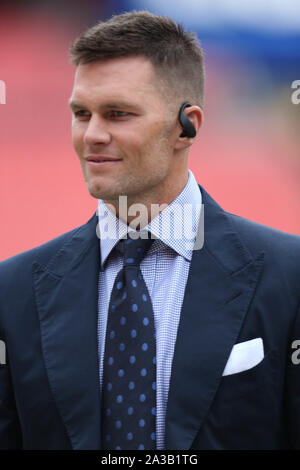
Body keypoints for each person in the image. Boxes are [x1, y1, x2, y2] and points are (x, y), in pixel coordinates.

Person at [0, 10, 299, 451]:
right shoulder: (13, 291)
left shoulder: (288, 276)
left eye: (118, 114)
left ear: (187, 125)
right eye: (81, 114)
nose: (93, 135)